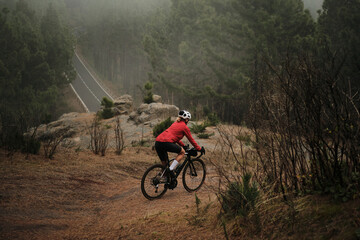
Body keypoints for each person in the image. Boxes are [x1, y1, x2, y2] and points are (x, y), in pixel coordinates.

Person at [155, 110, 203, 177]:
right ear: (186, 119)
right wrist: (199, 148)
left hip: (158, 142)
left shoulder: (175, 123)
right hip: (166, 142)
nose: (188, 121)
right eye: (188, 120)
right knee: (182, 152)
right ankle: (171, 169)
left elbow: (175, 138)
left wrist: (183, 145)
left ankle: (160, 178)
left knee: (164, 163)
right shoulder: (184, 127)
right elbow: (191, 139)